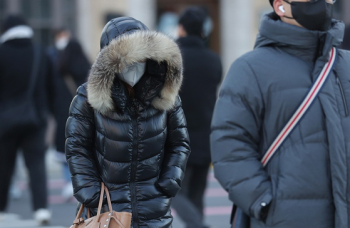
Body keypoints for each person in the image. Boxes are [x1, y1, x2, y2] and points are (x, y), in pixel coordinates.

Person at [210, 0, 350, 228]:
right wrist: (266, 205)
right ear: (280, 6)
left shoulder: (346, 65)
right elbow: (229, 146)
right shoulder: (250, 69)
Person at [65, 17, 190, 228]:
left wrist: (169, 181)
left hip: (155, 210)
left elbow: (179, 143)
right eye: (126, 59)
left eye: (140, 58)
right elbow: (77, 147)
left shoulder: (165, 96)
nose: (134, 65)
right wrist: (91, 193)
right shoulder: (87, 98)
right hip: (108, 211)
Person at [0, 15, 55, 225]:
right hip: (35, 118)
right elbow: (52, 87)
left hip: (4, 120)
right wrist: (46, 114)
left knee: (4, 165)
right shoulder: (40, 53)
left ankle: (2, 208)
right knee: (36, 164)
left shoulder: (2, 53)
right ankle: (41, 209)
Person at [171, 7, 222, 228]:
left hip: (176, 136)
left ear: (181, 29)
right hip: (205, 135)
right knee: (197, 195)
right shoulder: (213, 60)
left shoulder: (172, 60)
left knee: (171, 191)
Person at [47, 28, 90, 200]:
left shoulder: (59, 68)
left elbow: (50, 93)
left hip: (63, 113)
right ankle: (79, 182)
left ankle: (68, 182)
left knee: (66, 148)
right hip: (84, 115)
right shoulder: (87, 69)